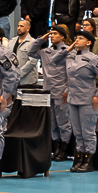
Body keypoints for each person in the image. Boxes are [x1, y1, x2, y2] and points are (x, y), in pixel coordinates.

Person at [62, 29, 98, 172]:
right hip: (73, 99)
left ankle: (88, 160)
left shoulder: (94, 59)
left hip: (88, 100)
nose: (77, 40)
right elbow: (55, 61)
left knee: (87, 132)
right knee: (77, 132)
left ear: (88, 42)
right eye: (76, 38)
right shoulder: (70, 56)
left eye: (81, 38)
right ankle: (79, 158)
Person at [31, 25, 73, 160]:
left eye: (55, 33)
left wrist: (67, 90)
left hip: (61, 91)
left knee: (63, 122)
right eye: (51, 34)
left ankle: (64, 150)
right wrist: (40, 40)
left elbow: (71, 73)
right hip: (48, 91)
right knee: (52, 123)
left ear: (62, 36)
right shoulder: (46, 51)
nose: (52, 36)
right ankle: (56, 149)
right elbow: (31, 52)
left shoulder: (68, 51)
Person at [10, 17, 39, 86]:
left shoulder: (33, 43)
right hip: (13, 79)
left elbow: (32, 61)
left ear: (27, 28)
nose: (19, 28)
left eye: (21, 26)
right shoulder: (11, 42)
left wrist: (20, 73)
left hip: (28, 81)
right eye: (18, 26)